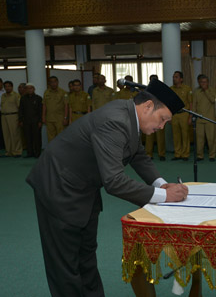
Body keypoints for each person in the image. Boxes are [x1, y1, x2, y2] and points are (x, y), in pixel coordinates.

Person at [27, 79, 188, 297]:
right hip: (59, 188)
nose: (162, 127)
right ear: (148, 106)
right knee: (65, 266)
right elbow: (114, 181)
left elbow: (137, 154)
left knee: (86, 257)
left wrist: (161, 184)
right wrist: (164, 196)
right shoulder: (116, 120)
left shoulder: (129, 114)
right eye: (162, 120)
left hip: (85, 187)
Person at [192, 74, 216, 161]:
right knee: (199, 139)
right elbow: (194, 105)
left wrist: (206, 90)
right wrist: (193, 116)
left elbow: (213, 100)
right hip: (199, 118)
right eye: (201, 82)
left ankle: (212, 155)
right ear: (199, 82)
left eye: (205, 82)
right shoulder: (196, 91)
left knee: (211, 138)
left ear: (208, 82)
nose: (203, 84)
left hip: (210, 118)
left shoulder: (212, 90)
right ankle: (200, 155)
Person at [170, 71, 192, 161]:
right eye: (173, 77)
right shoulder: (171, 89)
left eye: (176, 77)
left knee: (185, 135)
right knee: (176, 136)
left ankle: (185, 154)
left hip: (184, 114)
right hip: (174, 114)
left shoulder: (187, 89)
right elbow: (169, 103)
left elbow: (191, 103)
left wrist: (190, 116)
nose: (174, 79)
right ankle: (177, 154)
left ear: (181, 79)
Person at [145, 75, 166, 161]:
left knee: (160, 137)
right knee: (149, 136)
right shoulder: (146, 91)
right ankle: (149, 154)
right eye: (152, 80)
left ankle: (161, 154)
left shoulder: (162, 91)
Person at [19, 83, 43, 158]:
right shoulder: (23, 98)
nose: (29, 90)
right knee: (28, 138)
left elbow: (41, 111)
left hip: (36, 122)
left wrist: (40, 121)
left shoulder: (38, 98)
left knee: (37, 138)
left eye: (31, 88)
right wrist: (21, 120)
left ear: (34, 89)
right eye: (27, 88)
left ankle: (37, 153)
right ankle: (30, 153)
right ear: (25, 90)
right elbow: (21, 110)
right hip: (26, 122)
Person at [42, 76, 69, 142]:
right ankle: (52, 151)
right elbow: (44, 105)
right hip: (49, 118)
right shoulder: (46, 92)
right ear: (49, 83)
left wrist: (65, 118)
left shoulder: (63, 92)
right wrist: (43, 116)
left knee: (61, 136)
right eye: (51, 82)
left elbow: (66, 106)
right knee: (50, 137)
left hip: (60, 118)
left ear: (57, 82)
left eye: (55, 82)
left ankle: (61, 151)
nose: (53, 83)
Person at [1, 81, 22, 157]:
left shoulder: (16, 95)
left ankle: (17, 151)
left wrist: (20, 119)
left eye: (9, 86)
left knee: (15, 134)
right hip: (4, 116)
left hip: (13, 116)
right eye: (6, 86)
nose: (7, 88)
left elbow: (20, 108)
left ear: (12, 87)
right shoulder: (3, 95)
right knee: (6, 135)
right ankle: (9, 152)